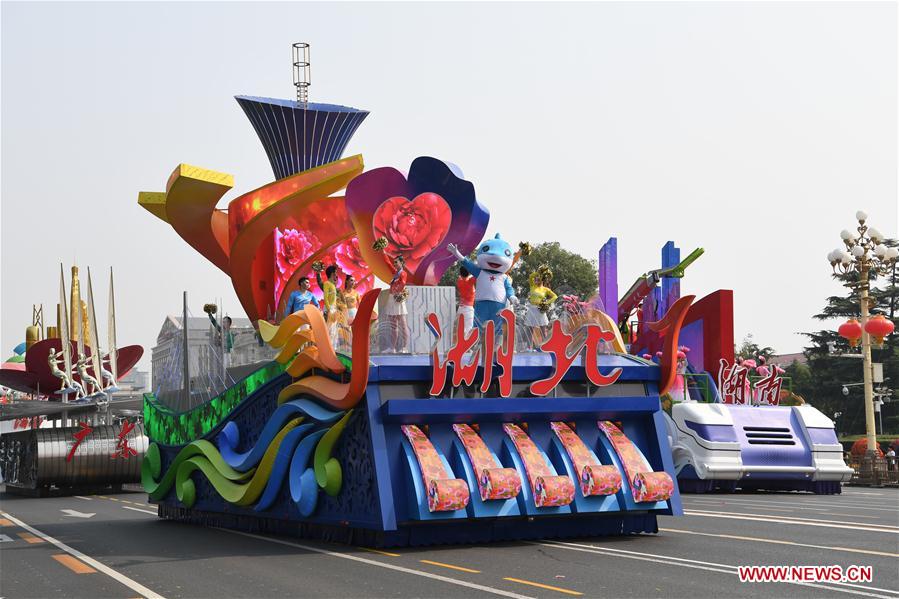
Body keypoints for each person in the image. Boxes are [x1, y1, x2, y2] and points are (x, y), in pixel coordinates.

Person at [523, 271, 557, 349]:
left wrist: (546, 303)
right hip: (532, 309)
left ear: (542, 280)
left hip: (540, 310)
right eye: (536, 279)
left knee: (543, 330)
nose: (536, 280)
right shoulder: (532, 286)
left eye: (538, 279)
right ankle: (529, 348)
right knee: (530, 330)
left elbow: (555, 296)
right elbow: (531, 276)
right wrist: (540, 272)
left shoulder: (545, 289)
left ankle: (544, 347)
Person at [384, 254, 409, 353]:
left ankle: (405, 347)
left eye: (396, 262)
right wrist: (382, 251)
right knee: (393, 325)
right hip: (392, 298)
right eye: (394, 262)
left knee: (403, 324)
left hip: (397, 299)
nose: (394, 264)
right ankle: (392, 348)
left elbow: (403, 283)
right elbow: (387, 263)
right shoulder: (395, 273)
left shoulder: (403, 273)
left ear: (402, 263)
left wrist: (397, 292)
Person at [455, 266, 476, 338]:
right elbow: (477, 274)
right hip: (468, 309)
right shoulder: (470, 281)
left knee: (460, 330)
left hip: (460, 309)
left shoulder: (459, 281)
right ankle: (466, 348)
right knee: (468, 331)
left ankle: (460, 347)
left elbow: (464, 276)